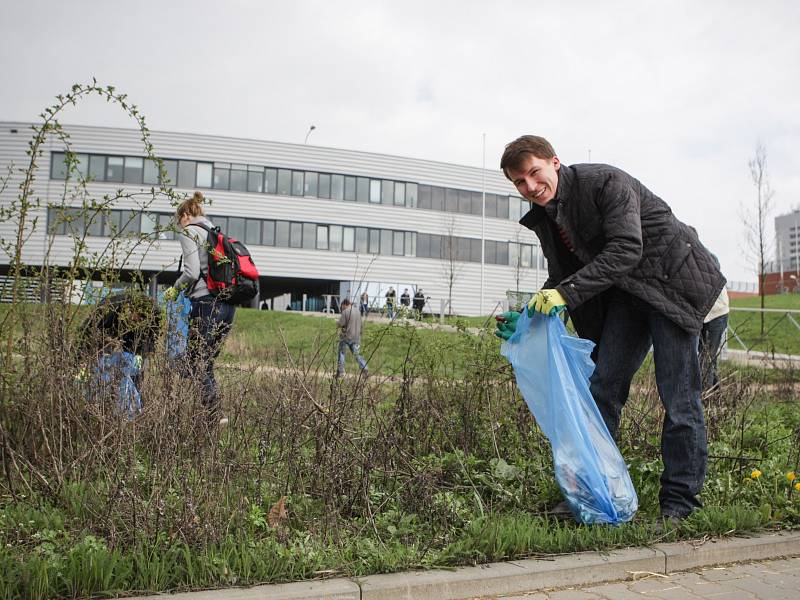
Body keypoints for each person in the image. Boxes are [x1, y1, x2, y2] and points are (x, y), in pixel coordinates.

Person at [495, 135, 725, 523]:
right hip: (630, 294)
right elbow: (563, 275)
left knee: (678, 397)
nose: (530, 187)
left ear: (554, 162)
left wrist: (564, 296)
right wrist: (529, 319)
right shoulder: (548, 215)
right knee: (602, 387)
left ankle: (679, 505)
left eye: (534, 173)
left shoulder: (605, 182)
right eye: (519, 182)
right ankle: (593, 495)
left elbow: (625, 249)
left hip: (672, 284)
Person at [167, 191, 236, 426]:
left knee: (193, 362)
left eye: (179, 220)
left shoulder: (190, 232)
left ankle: (212, 416)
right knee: (204, 362)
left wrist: (175, 289)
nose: (179, 225)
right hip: (228, 307)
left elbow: (191, 272)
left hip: (206, 305)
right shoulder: (217, 234)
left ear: (185, 215)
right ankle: (213, 417)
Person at [700, 288, 729, 393]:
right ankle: (715, 391)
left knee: (707, 356)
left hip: (717, 313)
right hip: (700, 314)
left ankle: (705, 395)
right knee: (706, 356)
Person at [336, 298, 368, 377]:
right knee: (357, 354)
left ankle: (341, 372)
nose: (341, 309)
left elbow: (341, 324)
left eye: (342, 307)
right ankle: (365, 368)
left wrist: (337, 322)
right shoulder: (358, 311)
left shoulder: (345, 312)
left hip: (346, 336)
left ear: (344, 304)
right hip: (356, 336)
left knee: (342, 353)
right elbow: (361, 325)